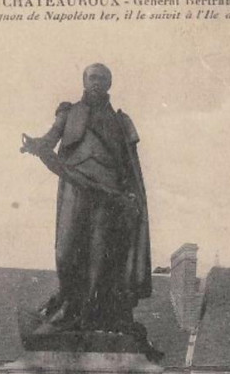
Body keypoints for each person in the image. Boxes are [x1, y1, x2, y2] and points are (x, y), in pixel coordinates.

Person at [21, 63, 152, 336]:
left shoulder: (120, 121)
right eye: (92, 77)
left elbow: (129, 166)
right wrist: (36, 145)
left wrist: (130, 198)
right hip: (75, 185)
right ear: (84, 80)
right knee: (65, 249)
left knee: (99, 253)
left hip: (108, 193)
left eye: (102, 78)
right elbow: (50, 139)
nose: (97, 82)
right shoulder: (68, 112)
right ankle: (68, 303)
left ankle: (87, 315)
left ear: (109, 84)